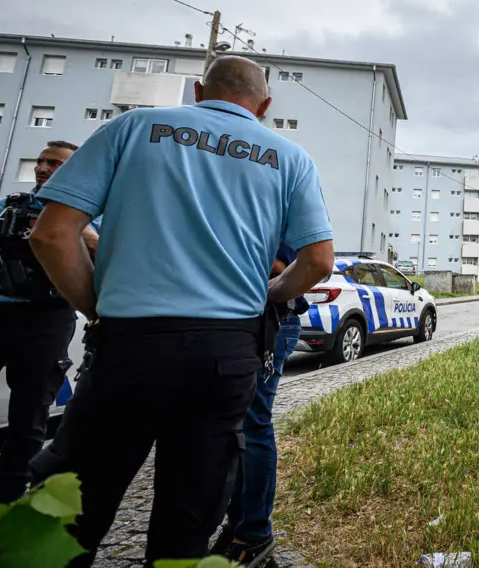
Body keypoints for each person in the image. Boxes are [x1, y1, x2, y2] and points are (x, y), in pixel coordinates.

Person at [29, 55, 334, 567]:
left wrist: (96, 307)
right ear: (264, 105)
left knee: (71, 513)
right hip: (227, 352)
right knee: (189, 519)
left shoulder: (132, 127)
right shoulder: (290, 156)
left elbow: (51, 233)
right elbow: (319, 260)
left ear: (197, 90)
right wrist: (272, 293)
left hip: (129, 347)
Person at [0, 141, 99, 503]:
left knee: (28, 417)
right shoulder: (11, 206)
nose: (42, 168)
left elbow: (104, 254)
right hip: (4, 310)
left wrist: (80, 233)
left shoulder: (88, 213)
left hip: (48, 319)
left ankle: (10, 503)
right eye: (41, 161)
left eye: (54, 163)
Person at [212, 241, 306, 567]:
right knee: (236, 425)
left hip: (273, 321)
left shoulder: (273, 202)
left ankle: (254, 533)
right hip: (242, 320)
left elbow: (300, 265)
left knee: (254, 422)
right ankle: (237, 524)